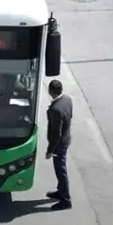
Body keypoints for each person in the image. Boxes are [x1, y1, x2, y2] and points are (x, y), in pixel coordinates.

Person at [45, 79, 73, 211]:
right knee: (60, 168)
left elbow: (56, 133)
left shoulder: (55, 109)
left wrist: (50, 150)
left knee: (60, 169)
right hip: (67, 138)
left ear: (50, 91)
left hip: (59, 143)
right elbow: (70, 116)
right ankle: (60, 191)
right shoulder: (67, 99)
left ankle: (66, 200)